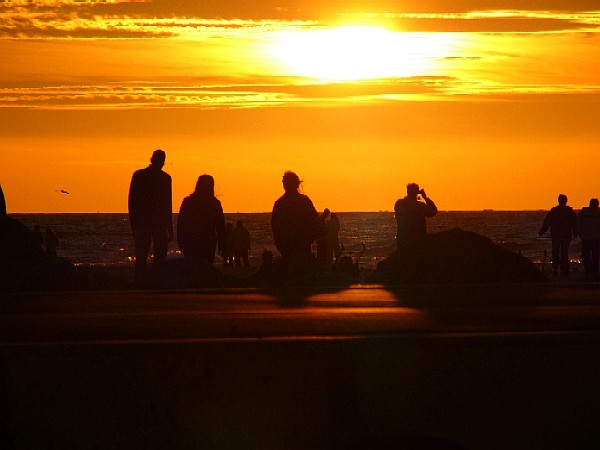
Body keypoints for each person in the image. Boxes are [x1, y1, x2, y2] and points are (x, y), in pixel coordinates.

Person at [128, 149, 173, 278]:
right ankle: (153, 279)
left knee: (144, 255)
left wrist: (134, 223)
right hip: (153, 222)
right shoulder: (164, 178)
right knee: (152, 255)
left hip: (146, 221)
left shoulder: (140, 176)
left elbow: (132, 201)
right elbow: (167, 204)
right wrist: (169, 227)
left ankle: (143, 279)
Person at [271, 171, 325, 258]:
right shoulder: (303, 201)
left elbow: (275, 227)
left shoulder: (279, 204)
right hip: (301, 245)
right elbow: (314, 220)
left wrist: (279, 245)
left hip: (289, 247)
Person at [177, 174, 226, 264]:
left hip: (191, 240)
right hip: (208, 240)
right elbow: (220, 226)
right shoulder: (215, 203)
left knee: (192, 267)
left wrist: (181, 241)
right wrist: (222, 245)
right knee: (206, 268)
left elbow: (181, 223)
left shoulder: (188, 202)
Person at [539, 194, 578, 277]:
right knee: (564, 252)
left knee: (556, 251)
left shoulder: (554, 211)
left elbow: (547, 222)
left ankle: (555, 268)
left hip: (556, 234)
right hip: (565, 235)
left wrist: (542, 231)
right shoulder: (569, 211)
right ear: (566, 201)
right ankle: (564, 269)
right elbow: (574, 223)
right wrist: (576, 232)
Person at [578, 198, 600, 276]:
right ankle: (594, 270)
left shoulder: (584, 212)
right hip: (596, 237)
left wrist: (578, 232)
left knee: (585, 254)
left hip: (586, 237)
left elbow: (578, 223)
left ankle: (588, 269)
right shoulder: (598, 213)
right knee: (595, 255)